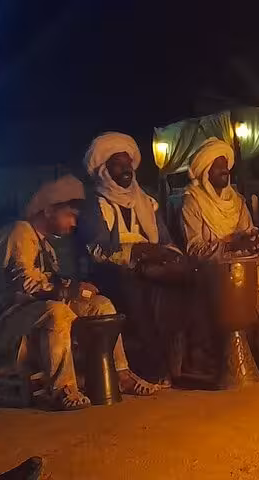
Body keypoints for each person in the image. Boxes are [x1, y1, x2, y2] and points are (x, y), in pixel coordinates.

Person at [0, 176, 158, 411]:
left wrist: (77, 288)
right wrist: (70, 290)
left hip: (31, 315)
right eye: (70, 215)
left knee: (100, 305)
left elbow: (49, 282)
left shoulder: (45, 244)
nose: (74, 223)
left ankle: (121, 373)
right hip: (4, 323)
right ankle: (63, 389)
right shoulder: (20, 232)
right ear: (48, 211)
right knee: (57, 311)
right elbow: (27, 285)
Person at [77, 132, 194, 383]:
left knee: (188, 279)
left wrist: (171, 257)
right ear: (104, 170)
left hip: (149, 265)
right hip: (111, 273)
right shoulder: (95, 204)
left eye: (128, 163)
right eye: (118, 164)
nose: (126, 169)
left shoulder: (146, 201)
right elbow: (98, 249)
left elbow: (164, 241)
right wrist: (141, 252)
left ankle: (185, 359)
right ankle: (151, 365)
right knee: (137, 284)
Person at [181, 137, 259, 260]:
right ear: (205, 171)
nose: (225, 170)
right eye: (218, 166)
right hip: (209, 272)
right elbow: (194, 249)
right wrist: (230, 246)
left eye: (225, 166)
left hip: (242, 266)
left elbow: (248, 233)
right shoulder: (193, 202)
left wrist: (255, 241)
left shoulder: (237, 201)